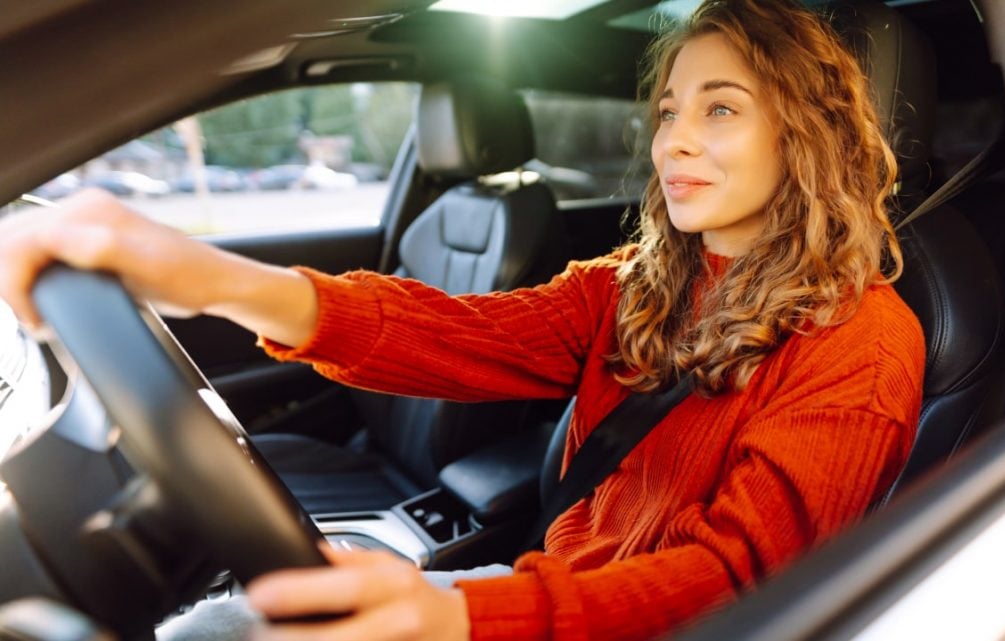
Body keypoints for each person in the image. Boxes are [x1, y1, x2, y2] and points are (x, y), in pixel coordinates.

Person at [0, 0, 925, 639]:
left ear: (806, 133)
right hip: (541, 597)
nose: (673, 138)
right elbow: (453, 333)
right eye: (670, 108)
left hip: (619, 623)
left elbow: (735, 583)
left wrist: (454, 618)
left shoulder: (865, 342)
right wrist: (203, 275)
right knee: (224, 623)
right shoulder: (635, 283)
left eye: (720, 109)